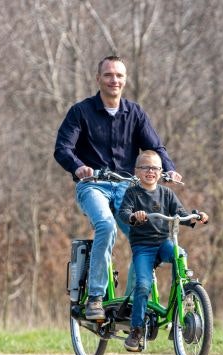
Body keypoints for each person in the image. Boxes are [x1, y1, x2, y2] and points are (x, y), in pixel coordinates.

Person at [54, 56, 182, 320]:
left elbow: (155, 148)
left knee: (145, 231)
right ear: (98, 78)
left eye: (119, 76)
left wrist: (167, 168)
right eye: (109, 75)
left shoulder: (134, 113)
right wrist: (79, 167)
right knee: (106, 225)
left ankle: (136, 297)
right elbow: (62, 149)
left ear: (125, 80)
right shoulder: (81, 112)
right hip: (93, 186)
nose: (114, 80)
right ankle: (96, 297)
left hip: (126, 187)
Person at [118, 150, 208, 351]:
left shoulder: (166, 193)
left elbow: (182, 214)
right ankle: (136, 330)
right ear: (137, 171)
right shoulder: (132, 193)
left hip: (163, 242)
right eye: (146, 167)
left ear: (161, 172)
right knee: (142, 284)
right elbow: (124, 213)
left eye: (155, 168)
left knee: (180, 255)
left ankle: (181, 301)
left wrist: (196, 216)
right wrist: (134, 216)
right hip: (143, 247)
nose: (151, 171)